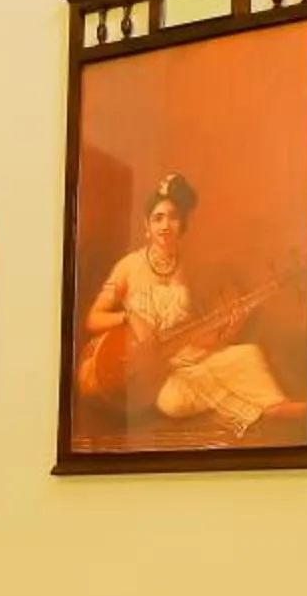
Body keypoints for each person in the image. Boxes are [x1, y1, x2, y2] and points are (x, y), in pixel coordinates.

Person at [77, 172, 294, 437]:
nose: (166, 226)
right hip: (139, 370)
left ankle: (277, 407)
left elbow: (197, 337)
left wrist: (230, 328)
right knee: (174, 402)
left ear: (183, 226)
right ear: (146, 227)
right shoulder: (128, 267)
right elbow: (93, 319)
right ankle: (253, 408)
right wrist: (129, 317)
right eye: (158, 218)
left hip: (181, 359)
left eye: (173, 218)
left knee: (246, 354)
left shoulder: (190, 269)